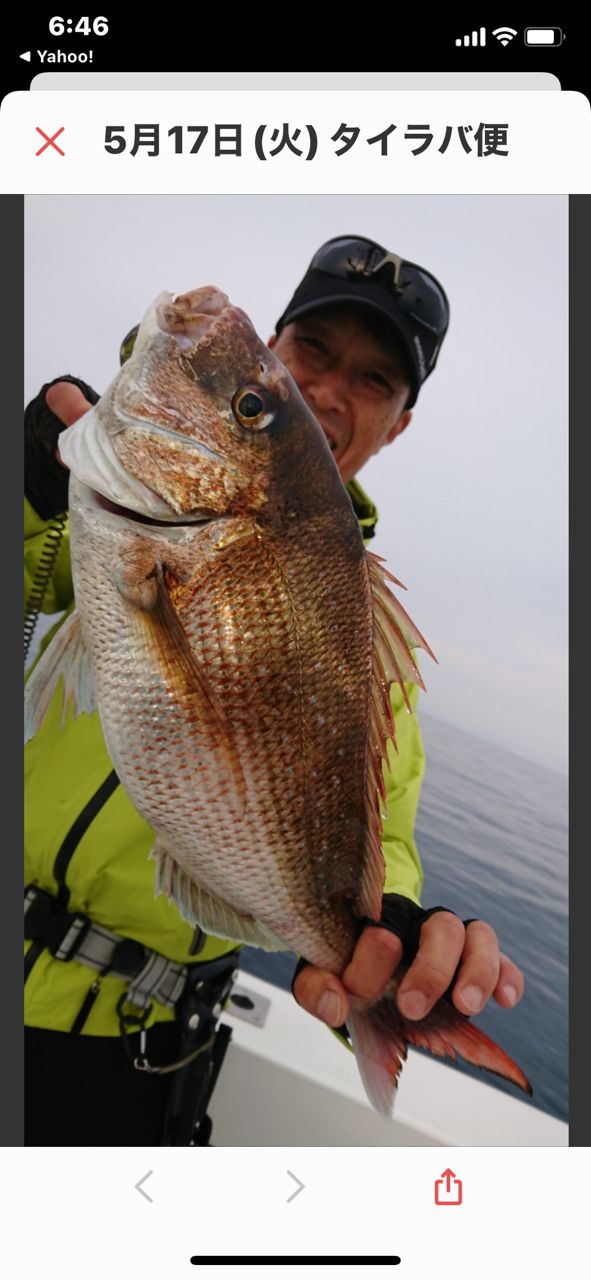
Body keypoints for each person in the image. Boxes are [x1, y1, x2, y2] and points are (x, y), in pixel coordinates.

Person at [24, 234, 524, 1146]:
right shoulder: (91, 510)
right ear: (284, 349)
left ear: (401, 421)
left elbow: (382, 850)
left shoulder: (382, 678)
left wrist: (391, 940)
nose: (333, 393)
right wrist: (25, 488)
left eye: (374, 380)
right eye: (310, 358)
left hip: (128, 1051)